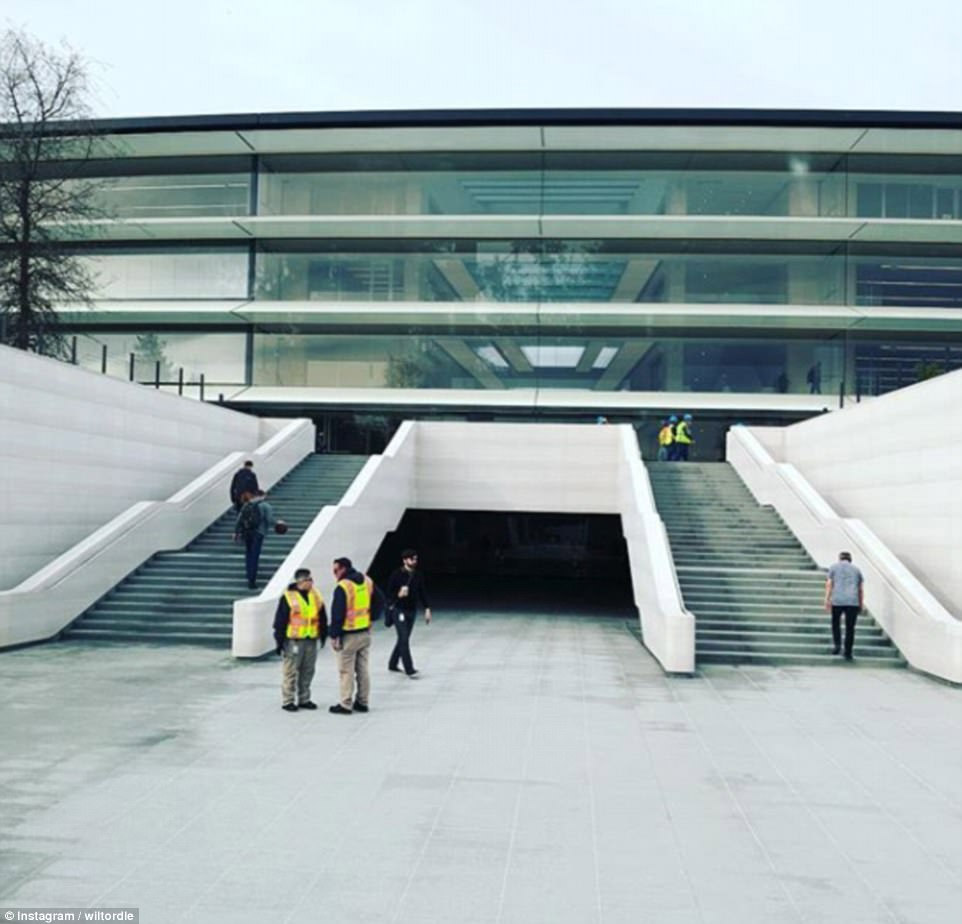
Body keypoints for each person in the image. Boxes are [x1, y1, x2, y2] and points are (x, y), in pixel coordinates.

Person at [328, 557, 386, 715]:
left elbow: (337, 614)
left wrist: (334, 635)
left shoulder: (343, 587)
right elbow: (380, 600)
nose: (334, 574)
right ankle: (362, 702)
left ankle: (345, 704)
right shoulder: (367, 581)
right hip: (365, 632)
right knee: (362, 670)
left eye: (335, 570)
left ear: (343, 569)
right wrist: (371, 616)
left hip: (349, 635)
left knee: (346, 671)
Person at [273, 568, 327, 712]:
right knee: (291, 671)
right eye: (308, 580)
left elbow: (322, 616)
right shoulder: (288, 597)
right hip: (294, 640)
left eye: (311, 579)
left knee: (308, 670)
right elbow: (280, 621)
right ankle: (288, 700)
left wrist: (323, 635)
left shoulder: (315, 595)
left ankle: (304, 698)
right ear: (300, 582)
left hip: (311, 639)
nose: (311, 582)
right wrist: (279, 642)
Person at [387, 549, 433, 677]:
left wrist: (427, 608)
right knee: (403, 638)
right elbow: (388, 594)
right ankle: (409, 668)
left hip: (411, 610)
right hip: (398, 609)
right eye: (412, 559)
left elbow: (422, 592)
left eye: (416, 559)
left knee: (404, 638)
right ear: (405, 560)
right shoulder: (396, 574)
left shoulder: (418, 575)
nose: (414, 561)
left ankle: (392, 663)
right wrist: (398, 594)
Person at [824, 551, 864, 660]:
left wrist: (827, 599)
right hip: (852, 601)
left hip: (838, 600)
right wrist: (860, 603)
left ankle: (837, 646)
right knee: (850, 627)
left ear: (840, 558)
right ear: (850, 559)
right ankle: (848, 651)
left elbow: (829, 584)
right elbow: (860, 589)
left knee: (835, 623)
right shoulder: (857, 570)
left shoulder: (833, 567)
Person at [234, 489, 276, 589]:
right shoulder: (265, 505)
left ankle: (249, 575)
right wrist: (278, 523)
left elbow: (239, 519)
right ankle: (252, 581)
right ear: (263, 495)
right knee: (255, 556)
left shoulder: (247, 505)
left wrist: (236, 532)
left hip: (247, 533)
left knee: (248, 555)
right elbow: (270, 520)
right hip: (259, 533)